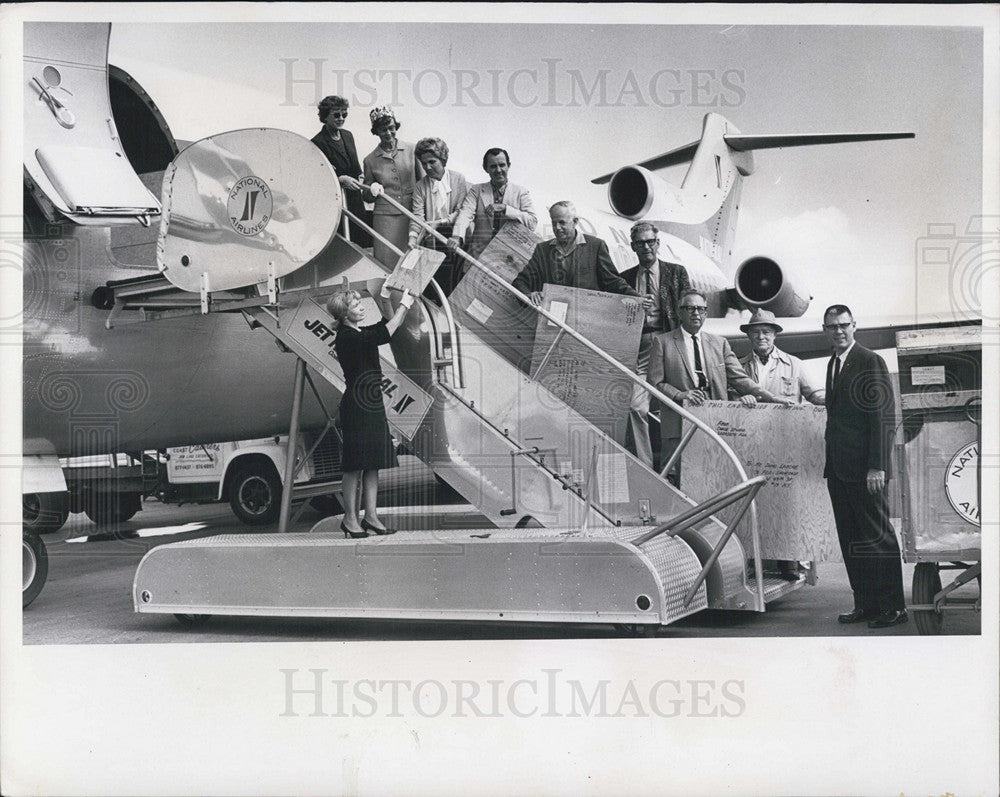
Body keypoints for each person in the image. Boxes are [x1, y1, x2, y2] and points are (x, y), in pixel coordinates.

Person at [822, 304, 907, 628]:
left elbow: (882, 418)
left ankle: (894, 607)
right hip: (839, 470)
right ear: (825, 330)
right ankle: (867, 604)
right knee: (852, 539)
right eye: (832, 326)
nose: (838, 331)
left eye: (844, 325)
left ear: (854, 326)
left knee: (877, 536)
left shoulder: (871, 361)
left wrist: (877, 467)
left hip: (864, 470)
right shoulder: (834, 363)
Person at [648, 288, 788, 477]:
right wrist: (680, 395)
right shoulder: (662, 342)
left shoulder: (719, 343)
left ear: (706, 313)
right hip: (678, 420)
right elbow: (654, 383)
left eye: (700, 309)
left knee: (713, 472)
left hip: (715, 418)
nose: (696, 313)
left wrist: (771, 398)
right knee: (673, 474)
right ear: (680, 312)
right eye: (689, 309)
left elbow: (740, 379)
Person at [327, 286, 415, 538]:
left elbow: (386, 326)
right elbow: (387, 331)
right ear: (344, 314)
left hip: (371, 401)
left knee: (373, 463)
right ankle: (350, 519)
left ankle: (372, 517)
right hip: (357, 404)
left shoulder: (359, 331)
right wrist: (405, 305)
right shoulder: (347, 336)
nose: (361, 307)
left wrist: (386, 298)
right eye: (355, 305)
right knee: (355, 465)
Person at [620, 221, 692, 467]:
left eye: (651, 241)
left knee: (679, 407)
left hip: (669, 342)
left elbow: (688, 306)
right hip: (641, 344)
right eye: (640, 243)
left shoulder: (676, 272)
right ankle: (646, 466)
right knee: (635, 407)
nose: (646, 247)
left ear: (658, 244)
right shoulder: (626, 278)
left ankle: (680, 468)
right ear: (633, 246)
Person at [511, 201, 639, 305]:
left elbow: (613, 281)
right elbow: (520, 281)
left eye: (562, 223)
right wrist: (529, 294)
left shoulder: (596, 246)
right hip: (555, 320)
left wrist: (638, 299)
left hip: (587, 319)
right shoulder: (543, 250)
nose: (557, 228)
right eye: (554, 223)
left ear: (575, 222)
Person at [446, 147, 537, 260]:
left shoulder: (521, 192)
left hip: (508, 260)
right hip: (478, 256)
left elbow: (532, 223)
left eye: (502, 165)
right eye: (493, 166)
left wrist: (505, 208)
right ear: (486, 169)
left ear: (508, 166)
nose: (498, 170)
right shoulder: (476, 190)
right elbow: (465, 214)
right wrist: (457, 236)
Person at [363, 106, 422, 268]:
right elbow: (366, 196)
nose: (388, 133)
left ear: (396, 127)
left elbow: (422, 183)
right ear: (376, 132)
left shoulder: (412, 150)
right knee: (387, 262)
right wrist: (372, 188)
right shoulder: (369, 160)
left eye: (391, 128)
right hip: (385, 219)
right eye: (383, 130)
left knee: (411, 261)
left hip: (412, 213)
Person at [407, 137, 469, 294]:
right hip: (431, 237)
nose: (427, 167)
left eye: (432, 162)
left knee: (451, 282)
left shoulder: (458, 179)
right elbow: (417, 217)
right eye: (423, 163)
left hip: (453, 235)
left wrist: (440, 222)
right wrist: (412, 238)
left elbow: (461, 210)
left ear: (443, 159)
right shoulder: (420, 186)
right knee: (431, 283)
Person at [310, 95, 372, 249]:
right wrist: (340, 179)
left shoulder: (348, 136)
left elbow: (355, 166)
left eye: (344, 114)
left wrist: (360, 176)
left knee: (360, 241)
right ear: (325, 116)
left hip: (355, 199)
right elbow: (318, 178)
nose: (341, 118)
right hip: (336, 202)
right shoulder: (317, 142)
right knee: (343, 244)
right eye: (336, 115)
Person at [736, 308, 825, 405]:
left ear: (775, 335)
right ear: (748, 335)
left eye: (766, 332)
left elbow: (815, 394)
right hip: (750, 420)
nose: (761, 337)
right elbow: (729, 397)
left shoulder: (795, 364)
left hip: (786, 420)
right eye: (755, 332)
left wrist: (835, 400)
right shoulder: (739, 367)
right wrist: (741, 399)